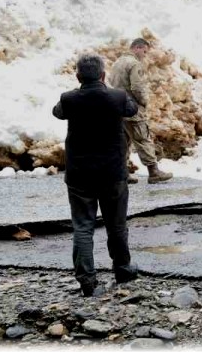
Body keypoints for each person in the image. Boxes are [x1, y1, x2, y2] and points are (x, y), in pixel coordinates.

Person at [52, 53, 140, 296]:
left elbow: (57, 112)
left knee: (83, 227)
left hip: (80, 174)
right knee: (117, 225)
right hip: (113, 172)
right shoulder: (117, 97)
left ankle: (87, 280)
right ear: (103, 75)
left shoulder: (69, 99)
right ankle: (123, 269)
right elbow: (132, 109)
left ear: (78, 76)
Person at [108, 38, 172, 184]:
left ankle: (123, 173)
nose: (144, 55)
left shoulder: (118, 62)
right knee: (143, 138)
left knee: (123, 141)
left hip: (117, 108)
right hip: (132, 108)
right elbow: (137, 87)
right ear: (137, 48)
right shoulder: (134, 64)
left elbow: (111, 82)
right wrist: (143, 101)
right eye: (144, 51)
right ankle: (154, 172)